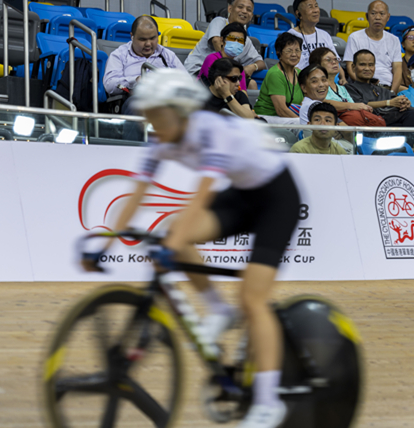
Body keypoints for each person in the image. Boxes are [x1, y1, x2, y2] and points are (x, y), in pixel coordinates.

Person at [84, 68, 300, 428]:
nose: (151, 125)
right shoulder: (162, 140)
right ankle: (219, 309)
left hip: (278, 197)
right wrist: (103, 244)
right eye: (148, 117)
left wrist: (172, 245)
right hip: (242, 194)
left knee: (252, 299)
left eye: (158, 117)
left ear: (181, 111)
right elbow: (137, 192)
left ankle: (267, 402)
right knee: (173, 232)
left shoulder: (209, 128)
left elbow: (200, 199)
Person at [103, 15, 187, 140]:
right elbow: (109, 84)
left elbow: (187, 83)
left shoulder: (167, 55)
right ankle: (133, 152)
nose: (148, 44)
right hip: (136, 101)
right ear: (132, 36)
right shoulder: (120, 55)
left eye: (153, 38)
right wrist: (136, 80)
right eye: (142, 39)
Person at [185, 0, 266, 86]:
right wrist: (230, 69)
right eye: (240, 7)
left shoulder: (246, 40)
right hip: (198, 71)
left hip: (226, 74)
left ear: (251, 16)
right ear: (230, 9)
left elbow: (261, 63)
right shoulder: (219, 21)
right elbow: (216, 41)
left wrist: (252, 67)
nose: (245, 11)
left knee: (251, 84)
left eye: (249, 10)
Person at [345, 50, 414, 127]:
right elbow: (359, 104)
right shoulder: (348, 88)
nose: (367, 68)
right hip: (370, 126)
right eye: (362, 64)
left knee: (412, 113)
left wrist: (405, 103)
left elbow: (396, 101)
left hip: (390, 125)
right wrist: (388, 103)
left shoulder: (382, 90)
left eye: (371, 65)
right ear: (353, 67)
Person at [342, 1, 402, 92]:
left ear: (388, 17)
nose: (377, 17)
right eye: (373, 13)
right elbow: (350, 68)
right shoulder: (355, 37)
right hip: (362, 88)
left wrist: (392, 93)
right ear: (366, 16)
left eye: (382, 14)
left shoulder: (394, 40)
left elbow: (397, 70)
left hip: (387, 89)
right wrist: (367, 87)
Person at [289, 0, 346, 83]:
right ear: (298, 14)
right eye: (310, 7)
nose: (316, 10)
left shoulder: (325, 35)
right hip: (302, 82)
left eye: (316, 6)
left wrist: (343, 78)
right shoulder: (290, 36)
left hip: (328, 82)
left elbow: (336, 61)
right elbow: (289, 67)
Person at [254, 33, 304, 124]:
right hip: (266, 117)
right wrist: (305, 123)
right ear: (279, 52)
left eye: (297, 50)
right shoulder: (275, 74)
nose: (294, 54)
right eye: (289, 51)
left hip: (288, 118)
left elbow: (303, 104)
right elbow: (281, 110)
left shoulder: (300, 73)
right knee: (300, 123)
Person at [197, 23, 261, 90]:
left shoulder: (238, 68)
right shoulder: (212, 59)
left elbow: (242, 92)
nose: (236, 43)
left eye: (240, 41)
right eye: (232, 39)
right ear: (222, 40)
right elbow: (218, 87)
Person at [308, 47, 373, 113]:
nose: (334, 62)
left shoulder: (342, 88)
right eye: (328, 60)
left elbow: (354, 107)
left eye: (336, 59)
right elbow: (320, 102)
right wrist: (349, 106)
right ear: (317, 65)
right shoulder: (317, 86)